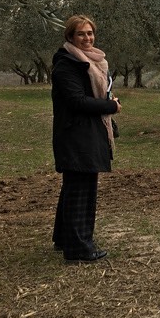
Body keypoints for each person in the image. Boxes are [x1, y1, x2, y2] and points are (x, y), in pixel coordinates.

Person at [51, 15, 122, 263]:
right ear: (70, 36)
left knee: (75, 187)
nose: (87, 38)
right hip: (76, 134)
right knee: (81, 189)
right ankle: (79, 247)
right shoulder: (67, 64)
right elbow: (77, 101)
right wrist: (110, 107)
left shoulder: (93, 62)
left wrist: (108, 104)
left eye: (90, 33)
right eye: (81, 34)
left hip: (86, 132)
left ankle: (64, 239)